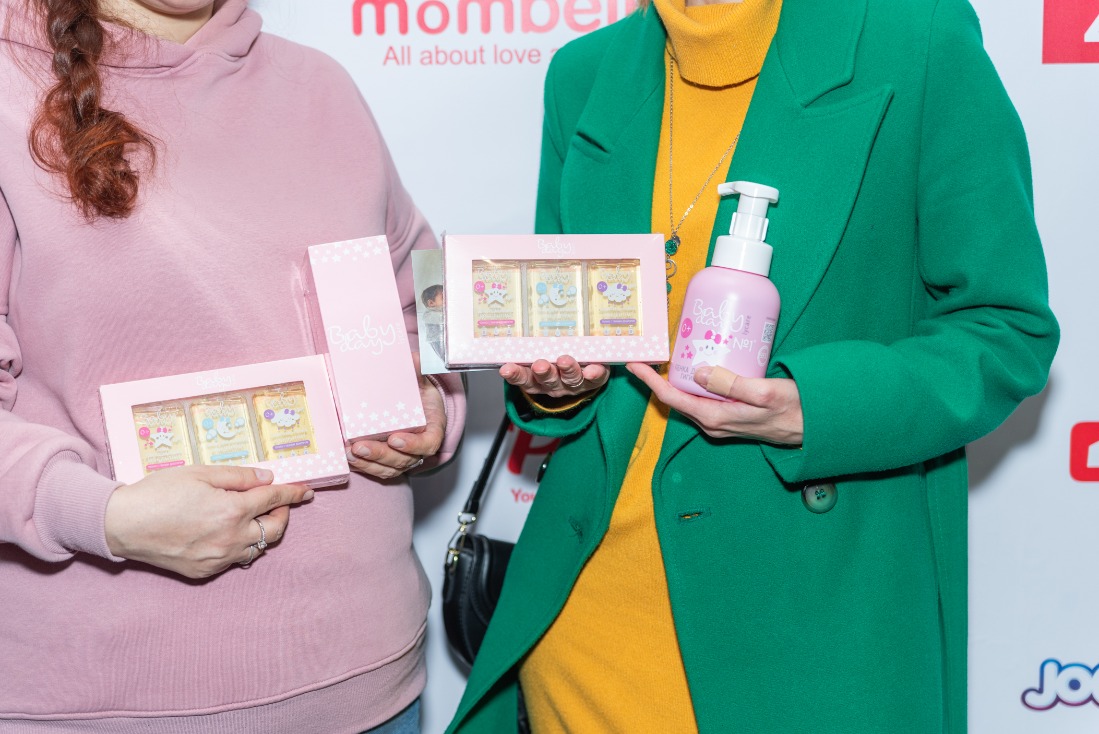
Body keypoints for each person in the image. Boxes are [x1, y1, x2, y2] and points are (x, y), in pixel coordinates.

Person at [448, 0, 1059, 731]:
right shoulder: (585, 74)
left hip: (805, 628)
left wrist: (816, 406)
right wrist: (558, 387)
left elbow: (1004, 328)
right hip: (584, 632)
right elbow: (569, 330)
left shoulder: (916, 38)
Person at [0, 1, 464, 731]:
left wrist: (430, 402)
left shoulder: (320, 87)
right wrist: (105, 517)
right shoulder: (8, 88)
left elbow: (418, 313)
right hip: (111, 702)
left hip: (373, 682)